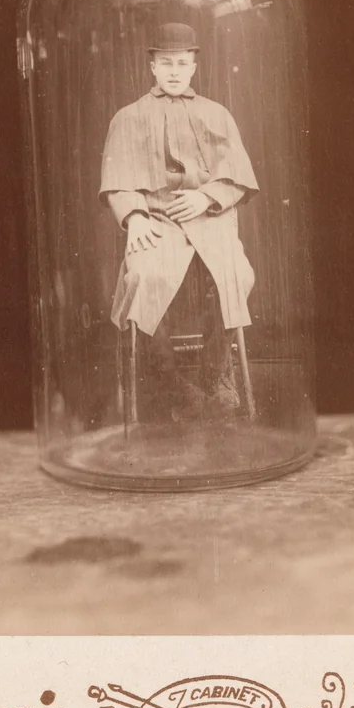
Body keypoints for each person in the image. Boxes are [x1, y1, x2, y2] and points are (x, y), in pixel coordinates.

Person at [99, 23, 258, 418]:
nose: (174, 71)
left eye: (182, 63)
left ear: (193, 67)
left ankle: (217, 371)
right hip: (156, 219)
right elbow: (117, 179)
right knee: (143, 277)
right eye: (166, 62)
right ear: (152, 65)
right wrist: (134, 216)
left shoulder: (216, 115)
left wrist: (207, 196)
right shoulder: (128, 117)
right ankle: (163, 380)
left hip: (209, 218)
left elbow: (237, 175)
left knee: (236, 274)